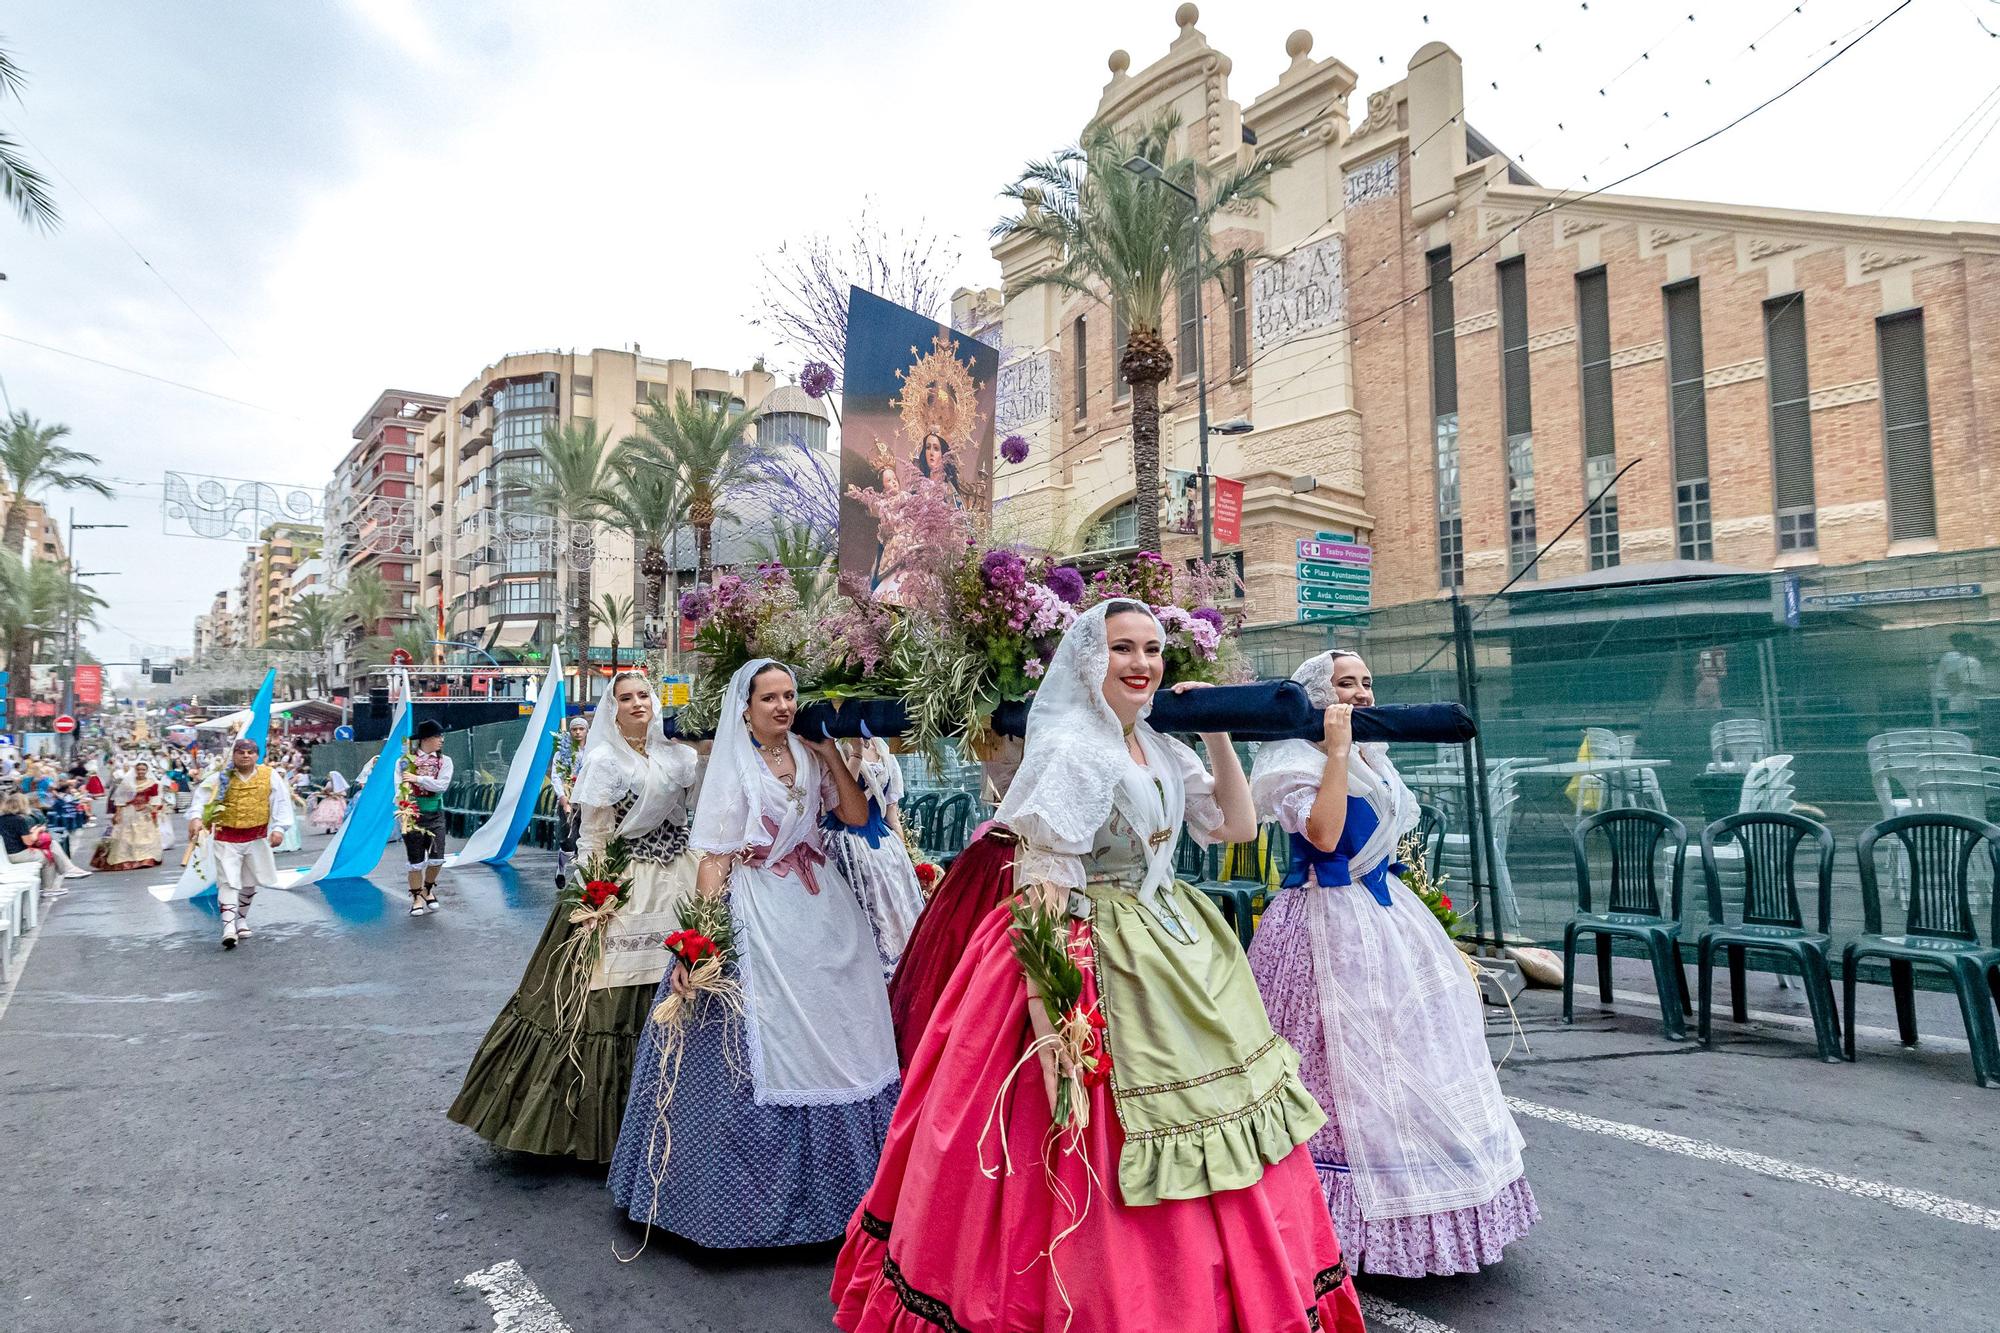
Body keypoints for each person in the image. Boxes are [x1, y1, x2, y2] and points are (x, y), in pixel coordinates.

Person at [832, 602, 1363, 1333]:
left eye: (1151, 649)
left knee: (1215, 1116)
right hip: (1085, 949)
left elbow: (1235, 825)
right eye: (1122, 648)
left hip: (1172, 944)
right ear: (1090, 659)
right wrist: (1053, 1028)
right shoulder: (1072, 750)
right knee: (1069, 1139)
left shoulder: (1154, 741)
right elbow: (1041, 891)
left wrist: (1213, 731)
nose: (1141, 663)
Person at [1248, 650, 1537, 1277]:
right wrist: (1335, 751)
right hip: (1320, 922)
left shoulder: (1374, 757)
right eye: (1344, 684)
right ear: (1315, 698)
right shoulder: (1295, 760)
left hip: (1384, 919)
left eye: (1367, 683)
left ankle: (1426, 1207)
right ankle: (1320, 1214)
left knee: (1412, 1054)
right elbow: (1323, 836)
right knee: (1330, 1060)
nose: (1360, 694)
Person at [608, 658, 898, 1247]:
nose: (783, 706)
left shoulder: (811, 753)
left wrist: (831, 754)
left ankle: (861, 1191)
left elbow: (855, 817)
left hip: (821, 905)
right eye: (770, 698)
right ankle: (734, 1201)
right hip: (757, 905)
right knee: (758, 1041)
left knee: (848, 1031)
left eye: (790, 695)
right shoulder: (732, 764)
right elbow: (714, 857)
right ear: (746, 706)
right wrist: (702, 942)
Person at [450, 671, 702, 1162]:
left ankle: (684, 1121)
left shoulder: (680, 756)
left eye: (643, 695)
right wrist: (595, 895)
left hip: (679, 878)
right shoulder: (605, 761)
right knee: (610, 997)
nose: (636, 704)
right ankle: (602, 1129)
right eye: (625, 698)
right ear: (612, 708)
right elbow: (594, 836)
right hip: (627, 882)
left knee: (684, 982)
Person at [822, 733, 926, 972]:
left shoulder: (883, 750)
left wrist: (905, 857)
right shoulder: (834, 747)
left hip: (882, 843)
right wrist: (855, 755)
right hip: (845, 841)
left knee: (894, 911)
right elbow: (839, 798)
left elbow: (892, 813)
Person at [187, 738, 295, 950]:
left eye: (250, 752)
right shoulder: (220, 776)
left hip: (256, 837)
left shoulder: (269, 775)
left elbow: (281, 801)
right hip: (226, 837)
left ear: (257, 755)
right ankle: (228, 929)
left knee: (249, 880)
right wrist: (196, 818)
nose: (246, 756)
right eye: (241, 752)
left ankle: (241, 919)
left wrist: (280, 828)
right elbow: (201, 798)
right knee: (228, 881)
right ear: (234, 755)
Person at [397, 720, 454, 915]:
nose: (441, 740)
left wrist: (418, 779)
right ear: (426, 739)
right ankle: (416, 898)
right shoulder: (405, 761)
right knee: (415, 859)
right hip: (412, 814)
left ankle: (428, 889)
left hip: (435, 813)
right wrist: (403, 805)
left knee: (437, 857)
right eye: (438, 736)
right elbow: (399, 786)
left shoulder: (445, 761)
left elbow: (442, 785)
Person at [91, 760, 167, 871]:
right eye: (139, 769)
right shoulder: (128, 783)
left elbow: (155, 799)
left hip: (144, 812)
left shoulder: (153, 783)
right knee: (126, 837)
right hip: (128, 812)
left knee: (145, 836)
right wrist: (118, 813)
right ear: (135, 770)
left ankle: (146, 858)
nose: (141, 772)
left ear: (147, 770)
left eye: (143, 769)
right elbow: (120, 799)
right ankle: (127, 859)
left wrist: (153, 810)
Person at [549, 714, 591, 887]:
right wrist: (562, 796)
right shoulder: (562, 752)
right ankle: (561, 869)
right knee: (569, 840)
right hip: (569, 799)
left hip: (587, 800)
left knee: (586, 839)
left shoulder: (592, 751)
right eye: (574, 729)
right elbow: (556, 776)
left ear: (587, 731)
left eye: (581, 729)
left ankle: (583, 878)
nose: (578, 732)